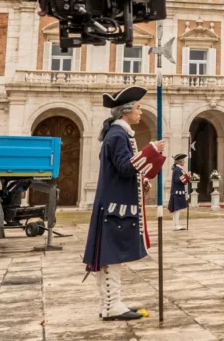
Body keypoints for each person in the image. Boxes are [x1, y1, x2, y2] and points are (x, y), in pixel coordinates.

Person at [82, 86, 166, 321]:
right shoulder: (118, 135)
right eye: (138, 108)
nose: (141, 112)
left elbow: (125, 171)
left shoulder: (119, 134)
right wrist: (151, 151)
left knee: (110, 256)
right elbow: (124, 167)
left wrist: (141, 182)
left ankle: (109, 303)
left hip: (114, 204)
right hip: (114, 207)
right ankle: (111, 306)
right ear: (125, 112)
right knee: (111, 256)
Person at [169, 153, 190, 231]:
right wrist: (187, 176)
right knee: (176, 209)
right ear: (180, 161)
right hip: (176, 192)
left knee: (177, 209)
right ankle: (176, 225)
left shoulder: (179, 169)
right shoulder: (177, 170)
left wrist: (187, 176)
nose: (184, 162)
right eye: (183, 160)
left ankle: (176, 224)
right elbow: (178, 180)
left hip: (178, 191)